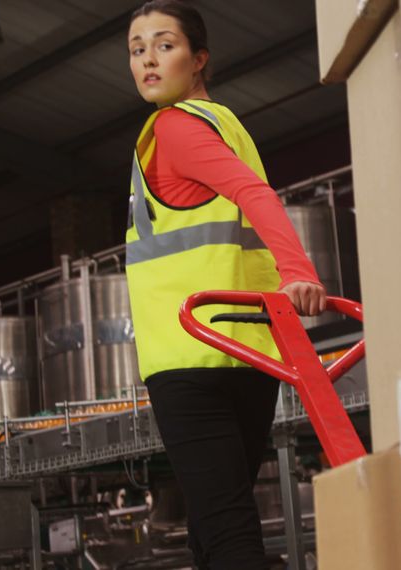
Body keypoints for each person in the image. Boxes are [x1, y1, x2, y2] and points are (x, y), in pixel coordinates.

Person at [125, 1, 326, 567]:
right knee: (212, 525)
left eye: (165, 45)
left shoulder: (172, 129)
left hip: (190, 356)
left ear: (199, 58)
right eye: (137, 49)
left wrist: (299, 272)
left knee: (225, 525)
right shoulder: (227, 126)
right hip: (249, 354)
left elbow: (255, 196)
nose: (148, 60)